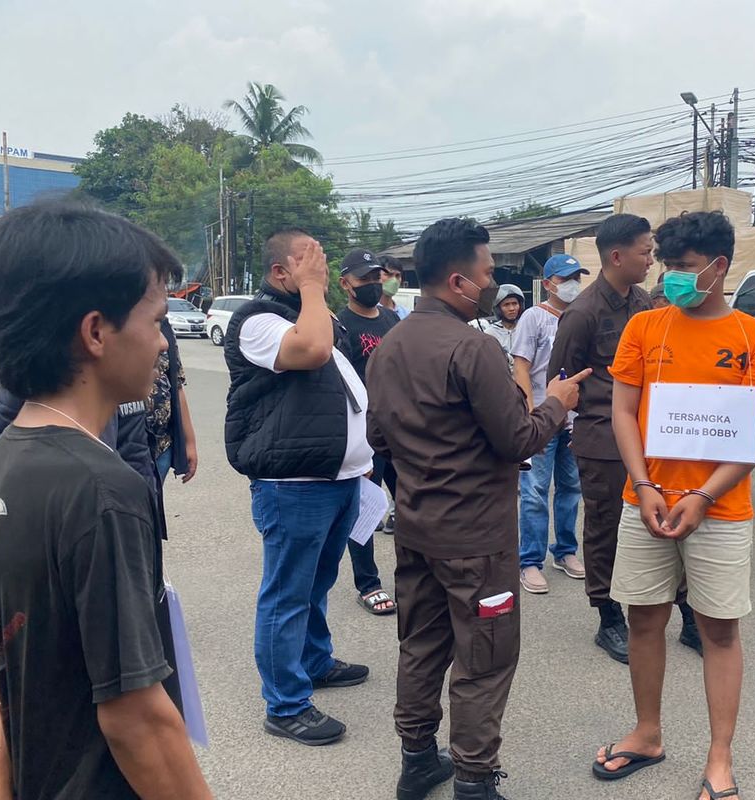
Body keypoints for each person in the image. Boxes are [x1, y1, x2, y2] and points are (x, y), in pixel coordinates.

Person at [0, 200, 210, 799]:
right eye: (155, 322)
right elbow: (137, 719)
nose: (162, 344)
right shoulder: (103, 490)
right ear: (96, 332)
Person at [366, 218, 588, 800]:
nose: (494, 283)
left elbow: (381, 440)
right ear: (460, 280)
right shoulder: (474, 347)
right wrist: (558, 403)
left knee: (420, 644)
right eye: (488, 273)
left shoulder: (389, 344)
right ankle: (474, 780)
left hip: (416, 528)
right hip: (478, 542)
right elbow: (517, 439)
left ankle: (417, 760)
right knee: (484, 660)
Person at [594, 211, 755, 800]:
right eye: (667, 266)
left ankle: (719, 757)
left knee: (719, 631)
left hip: (720, 512)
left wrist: (705, 494)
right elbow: (623, 412)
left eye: (683, 268)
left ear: (720, 266)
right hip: (644, 503)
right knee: (644, 618)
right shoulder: (646, 328)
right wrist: (646, 485)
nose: (670, 277)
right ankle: (647, 732)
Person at [223, 228, 372, 746]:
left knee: (317, 582)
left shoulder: (315, 313)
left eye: (320, 258)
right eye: (306, 260)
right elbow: (309, 353)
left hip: (338, 477)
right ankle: (285, 704)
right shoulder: (257, 319)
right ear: (279, 272)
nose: (320, 266)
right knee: (287, 592)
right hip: (294, 483)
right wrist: (312, 290)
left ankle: (313, 661)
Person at [548, 213, 661, 663]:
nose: (651, 259)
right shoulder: (583, 312)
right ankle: (608, 616)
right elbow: (563, 377)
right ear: (617, 256)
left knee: (657, 523)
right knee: (605, 528)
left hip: (650, 434)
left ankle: (683, 611)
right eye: (644, 251)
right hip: (602, 439)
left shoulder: (643, 303)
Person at [510, 253, 587, 594]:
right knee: (535, 493)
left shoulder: (582, 316)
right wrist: (530, 410)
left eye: (576, 277)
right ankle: (529, 561)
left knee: (571, 489)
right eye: (565, 278)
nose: (572, 284)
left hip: (574, 419)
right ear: (548, 284)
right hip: (542, 415)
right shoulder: (533, 318)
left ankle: (565, 551)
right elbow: (522, 366)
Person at [337, 247, 401, 615]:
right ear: (346, 284)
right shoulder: (341, 325)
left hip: (398, 431)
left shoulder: (392, 321)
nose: (374, 284)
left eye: (377, 276)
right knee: (364, 511)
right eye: (365, 278)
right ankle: (368, 583)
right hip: (362, 434)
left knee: (410, 505)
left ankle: (413, 574)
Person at [145, 318, 198, 484]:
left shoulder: (165, 328)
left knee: (155, 505)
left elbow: (177, 386)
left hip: (162, 445)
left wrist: (190, 443)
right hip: (131, 445)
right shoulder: (124, 323)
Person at [485, 283, 524, 359]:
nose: (512, 308)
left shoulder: (527, 329)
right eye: (506, 305)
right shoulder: (490, 333)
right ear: (498, 309)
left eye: (514, 303)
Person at [379, 254, 411, 320]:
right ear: (377, 276)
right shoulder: (368, 312)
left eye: (397, 276)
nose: (394, 280)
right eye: (389, 275)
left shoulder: (406, 314)